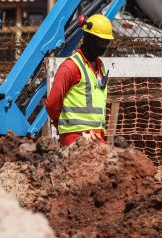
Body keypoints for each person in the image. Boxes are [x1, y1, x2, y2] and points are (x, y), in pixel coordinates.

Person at [45, 14, 114, 147]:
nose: (104, 46)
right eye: (101, 41)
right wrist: (61, 124)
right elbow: (52, 104)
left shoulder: (101, 67)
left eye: (107, 42)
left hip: (97, 136)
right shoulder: (71, 67)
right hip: (75, 138)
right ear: (89, 38)